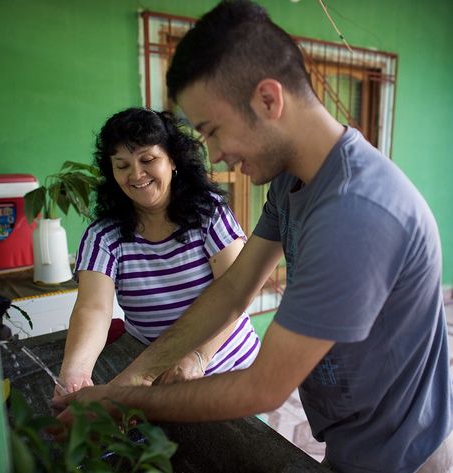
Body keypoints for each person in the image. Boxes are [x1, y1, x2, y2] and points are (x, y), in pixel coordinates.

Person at [55, 2, 453, 472]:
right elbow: (232, 290)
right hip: (352, 438)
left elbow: (263, 388)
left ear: (268, 100)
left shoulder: (356, 211)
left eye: (214, 131)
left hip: (405, 454)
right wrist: (134, 378)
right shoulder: (291, 182)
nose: (218, 156)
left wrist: (122, 402)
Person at [55, 107, 260, 396]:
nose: (136, 175)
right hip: (156, 382)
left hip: (234, 372)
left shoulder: (208, 214)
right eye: (122, 165)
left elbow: (237, 290)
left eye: (147, 160)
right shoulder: (102, 236)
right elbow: (94, 308)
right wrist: (74, 373)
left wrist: (197, 356)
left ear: (173, 160)